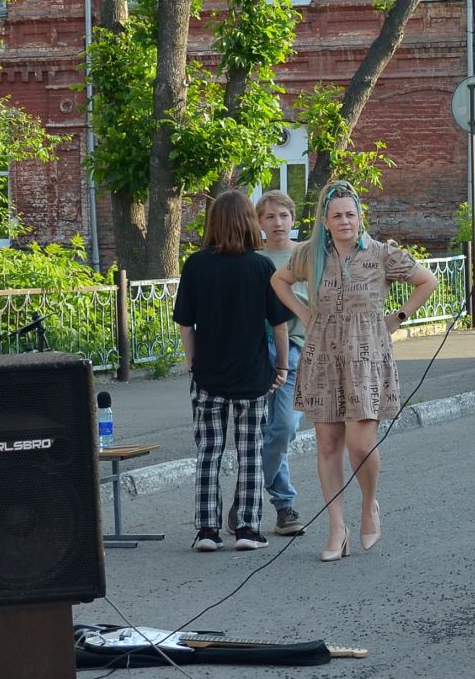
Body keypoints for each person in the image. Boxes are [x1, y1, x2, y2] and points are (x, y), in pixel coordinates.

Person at [274, 182, 438, 562]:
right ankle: (336, 527)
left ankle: (368, 505)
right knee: (328, 445)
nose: (345, 221)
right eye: (337, 216)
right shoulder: (310, 255)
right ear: (326, 221)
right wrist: (303, 313)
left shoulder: (380, 254)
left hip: (366, 357)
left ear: (360, 216)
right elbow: (278, 280)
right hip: (322, 355)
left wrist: (397, 318)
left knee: (360, 445)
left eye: (351, 214)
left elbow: (426, 280)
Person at [173, 190, 294, 553]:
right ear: (248, 223)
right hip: (253, 376)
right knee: (250, 453)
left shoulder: (196, 264)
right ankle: (247, 528)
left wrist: (192, 361)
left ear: (213, 224)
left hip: (208, 376)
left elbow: (185, 323)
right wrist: (282, 366)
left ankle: (207, 531)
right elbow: (279, 326)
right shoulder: (261, 268)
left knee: (208, 453)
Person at [252, 191, 308, 538]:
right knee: (263, 428)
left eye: (283, 216)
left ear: (293, 218)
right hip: (261, 348)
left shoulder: (306, 255)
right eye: (269, 217)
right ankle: (283, 506)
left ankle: (250, 487)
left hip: (302, 346)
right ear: (260, 223)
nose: (277, 223)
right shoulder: (254, 259)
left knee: (284, 427)